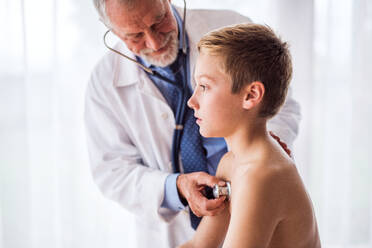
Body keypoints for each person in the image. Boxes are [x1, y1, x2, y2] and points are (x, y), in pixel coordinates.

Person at [85, 0, 301, 247]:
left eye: (158, 22)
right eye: (135, 35)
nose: (154, 43)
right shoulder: (230, 164)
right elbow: (112, 171)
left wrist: (259, 150)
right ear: (112, 30)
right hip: (171, 231)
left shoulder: (258, 176)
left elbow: (280, 104)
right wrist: (176, 187)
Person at [179, 23, 320, 247]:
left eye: (204, 86)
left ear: (251, 95)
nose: (192, 101)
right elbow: (199, 245)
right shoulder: (231, 162)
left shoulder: (262, 175)